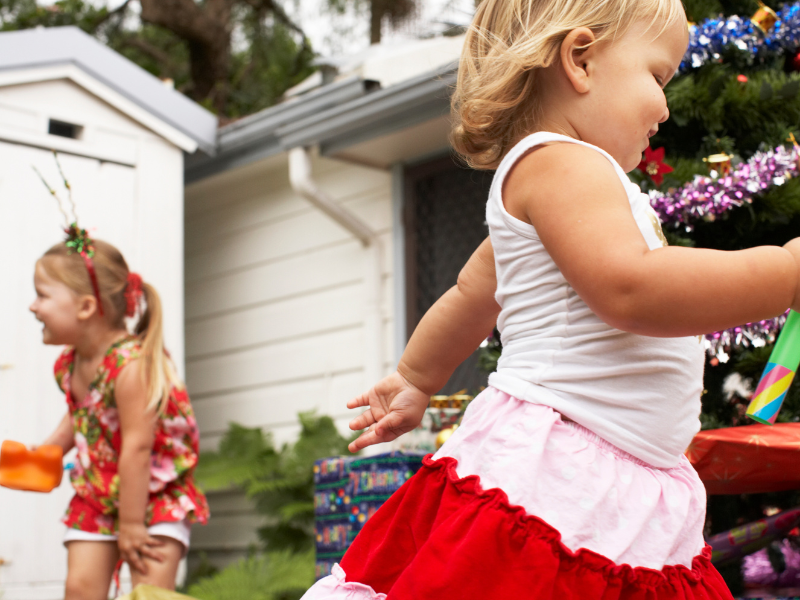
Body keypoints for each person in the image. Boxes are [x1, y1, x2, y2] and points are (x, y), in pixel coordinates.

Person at [302, 0, 800, 598]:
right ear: (581, 59)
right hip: (564, 465)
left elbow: (471, 294)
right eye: (658, 76)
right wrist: (788, 272)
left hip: (620, 473)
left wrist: (415, 377)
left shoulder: (575, 179)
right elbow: (631, 289)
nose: (667, 107)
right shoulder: (562, 163)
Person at [30, 234, 209, 600]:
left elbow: (138, 448)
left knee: (150, 592)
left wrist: (131, 524)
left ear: (85, 307)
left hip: (154, 496)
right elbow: (82, 416)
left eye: (43, 295)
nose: (33, 306)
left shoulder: (131, 366)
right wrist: (45, 454)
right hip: (99, 493)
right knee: (80, 589)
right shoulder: (71, 361)